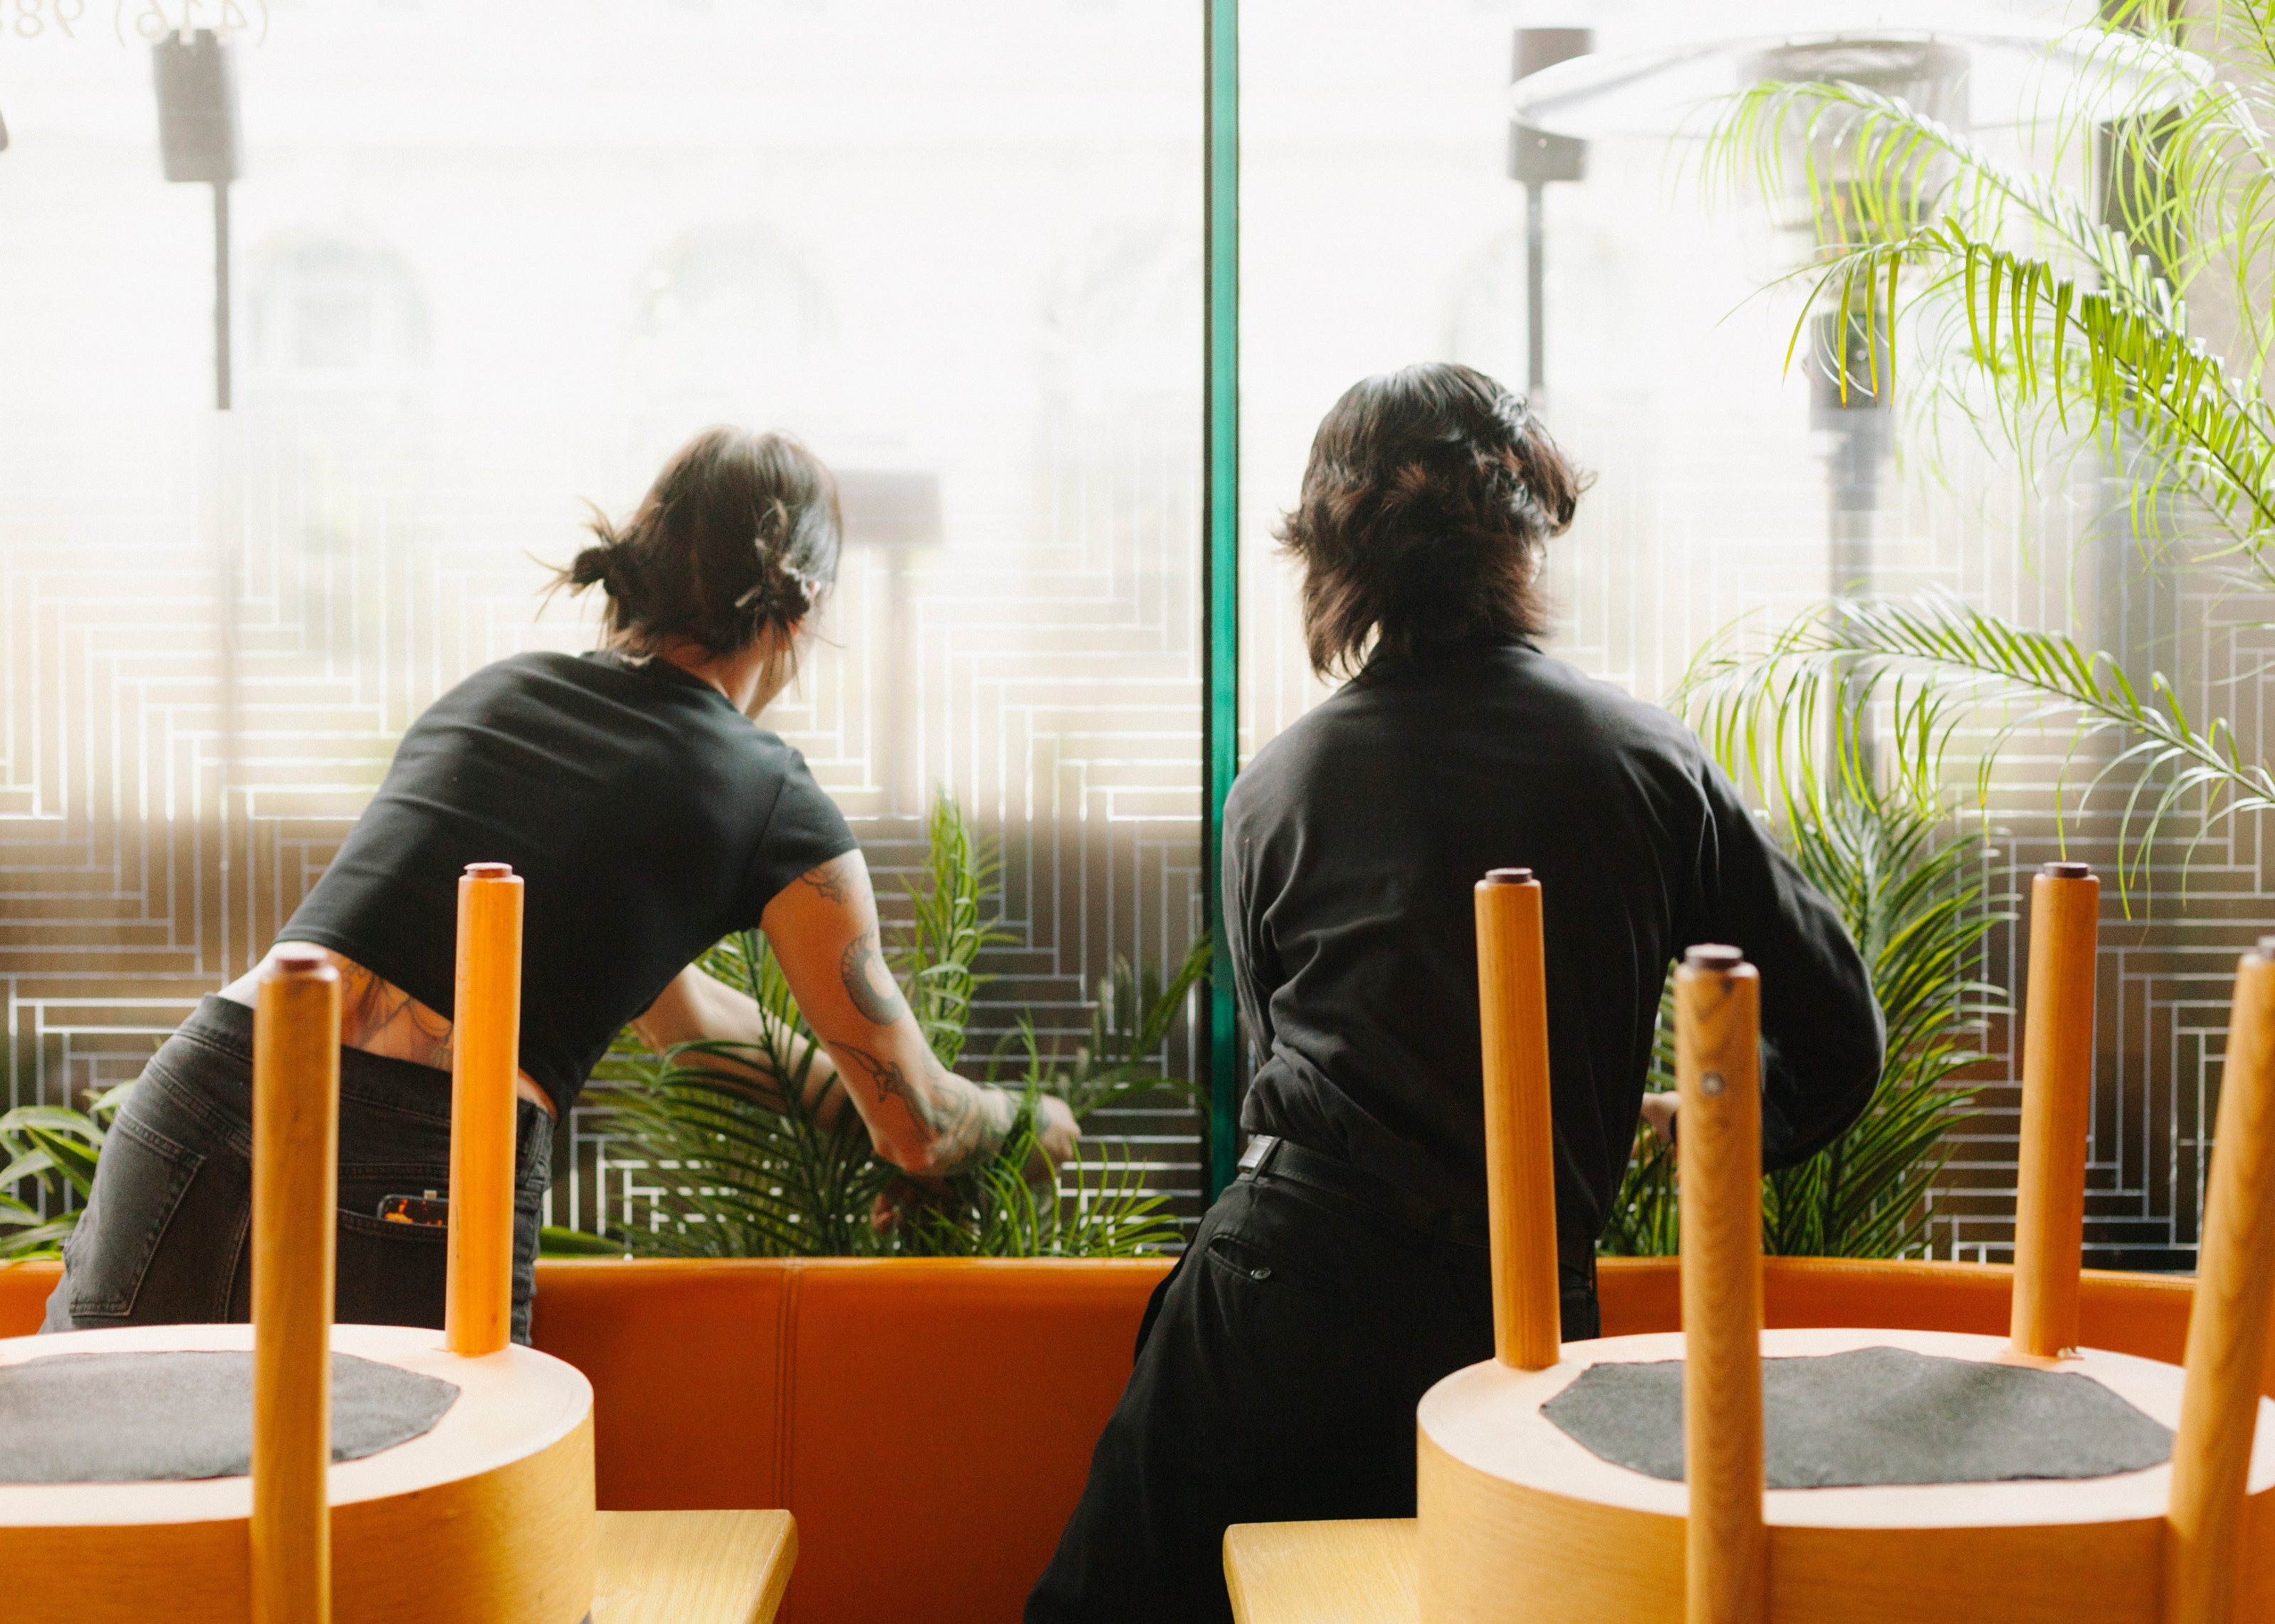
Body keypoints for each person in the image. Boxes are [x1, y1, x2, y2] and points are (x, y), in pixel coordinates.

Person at [1026, 363, 1883, 1623]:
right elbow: (1840, 1037)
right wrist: (1701, 1115)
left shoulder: (1275, 790)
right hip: (1511, 1317)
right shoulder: (1646, 764)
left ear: (1333, 559)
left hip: (1277, 1298)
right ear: (1524, 534)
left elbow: (1275, 1063)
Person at [43, 426, 1078, 1344]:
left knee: (98, 1476)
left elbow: (687, 1022)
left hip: (208, 1085)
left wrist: (859, 1112)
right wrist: (1027, 1123)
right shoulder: (770, 793)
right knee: (403, 1502)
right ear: (798, 615)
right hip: (422, 1144)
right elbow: (918, 1122)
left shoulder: (495, 693)